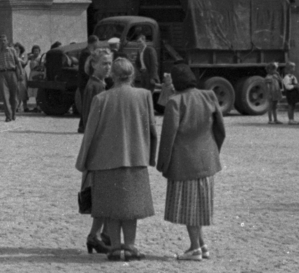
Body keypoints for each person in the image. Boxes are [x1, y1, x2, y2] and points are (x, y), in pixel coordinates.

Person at [76, 58, 158, 261]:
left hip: (104, 161)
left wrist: (83, 162)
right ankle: (129, 245)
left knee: (111, 207)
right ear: (133, 75)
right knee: (131, 208)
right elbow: (152, 129)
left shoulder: (101, 99)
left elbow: (90, 134)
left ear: (112, 75)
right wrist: (151, 156)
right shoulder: (144, 96)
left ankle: (114, 247)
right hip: (136, 157)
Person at [156, 63, 225, 261]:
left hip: (184, 162)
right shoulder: (209, 96)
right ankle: (202, 244)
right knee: (199, 205)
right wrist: (214, 151)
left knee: (189, 208)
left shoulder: (175, 102)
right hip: (207, 159)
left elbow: (168, 136)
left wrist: (163, 163)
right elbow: (221, 129)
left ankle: (194, 247)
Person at [77, 36, 109, 134]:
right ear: (94, 42)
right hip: (86, 81)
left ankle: (82, 126)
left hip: (86, 81)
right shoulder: (86, 53)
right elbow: (86, 69)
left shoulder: (87, 52)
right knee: (87, 104)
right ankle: (83, 126)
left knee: (87, 104)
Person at [0, 34, 25, 122]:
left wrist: (21, 73)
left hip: (12, 73)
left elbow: (18, 63)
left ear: (7, 41)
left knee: (14, 96)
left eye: (4, 40)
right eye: (1, 40)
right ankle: (8, 116)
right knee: (5, 96)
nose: (3, 42)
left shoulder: (12, 50)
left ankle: (13, 114)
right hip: (2, 74)